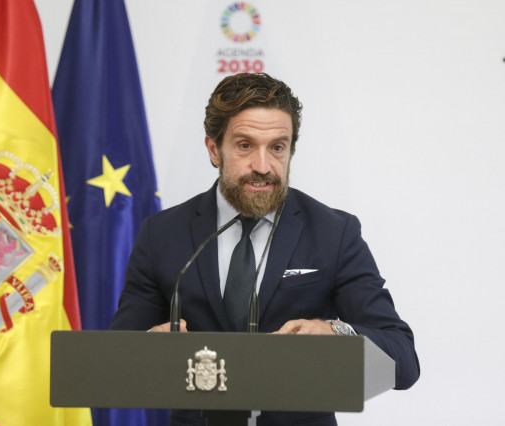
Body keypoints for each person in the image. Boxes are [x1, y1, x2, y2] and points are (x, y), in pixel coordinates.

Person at [110, 73, 420, 425]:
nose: (263, 166)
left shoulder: (335, 233)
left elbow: (403, 361)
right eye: (245, 145)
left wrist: (338, 333)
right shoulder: (162, 234)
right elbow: (117, 360)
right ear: (214, 149)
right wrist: (149, 345)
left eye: (277, 147)